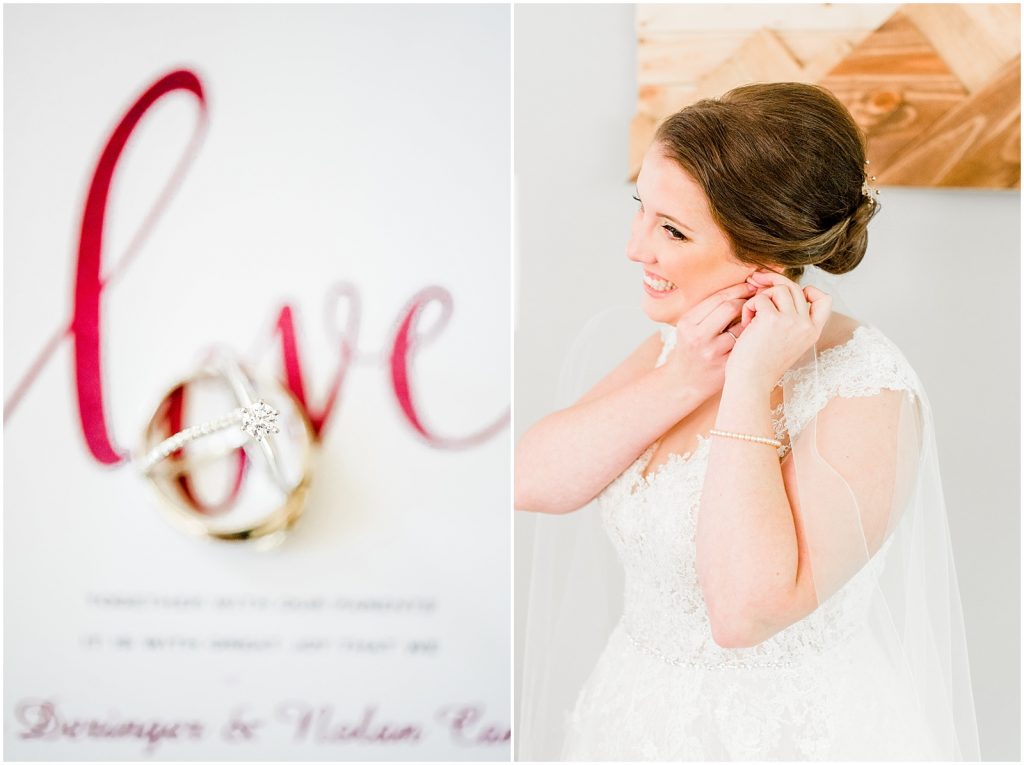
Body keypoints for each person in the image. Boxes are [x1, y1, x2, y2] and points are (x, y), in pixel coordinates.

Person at [514, 82, 980, 760]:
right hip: (634, 720)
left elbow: (742, 611)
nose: (634, 248)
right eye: (641, 208)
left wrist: (751, 380)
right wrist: (682, 378)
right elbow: (531, 479)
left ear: (763, 255)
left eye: (672, 230)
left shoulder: (867, 389)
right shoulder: (685, 343)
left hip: (786, 737)